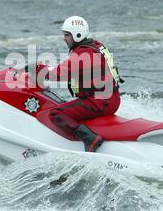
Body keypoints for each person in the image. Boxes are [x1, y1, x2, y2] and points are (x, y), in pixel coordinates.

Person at [37, 16, 124, 152]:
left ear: (77, 35)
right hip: (112, 99)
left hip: (100, 103)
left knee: (56, 113)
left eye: (67, 35)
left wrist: (36, 70)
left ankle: (89, 138)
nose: (64, 38)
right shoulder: (95, 45)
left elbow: (57, 74)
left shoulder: (84, 53)